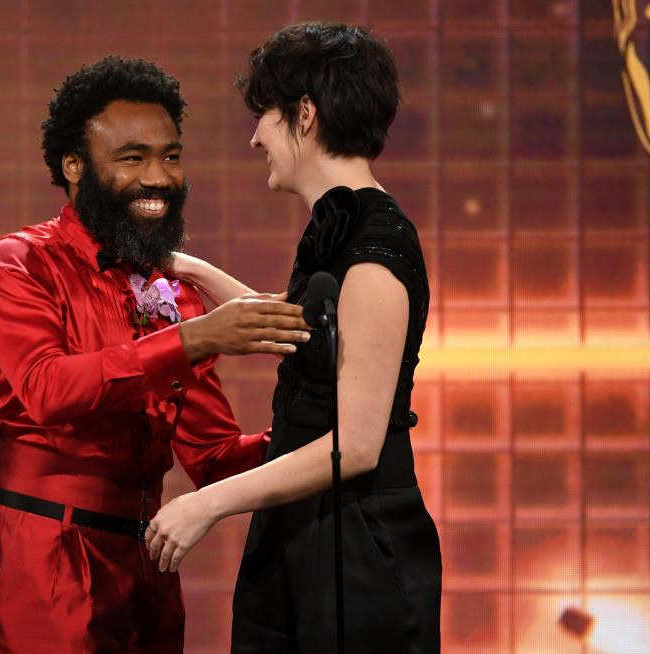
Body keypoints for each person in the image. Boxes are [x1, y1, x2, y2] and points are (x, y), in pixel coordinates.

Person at [0, 56, 311, 654]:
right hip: (40, 555)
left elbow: (214, 458)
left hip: (148, 562)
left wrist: (326, 439)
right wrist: (196, 339)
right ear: (74, 166)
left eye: (171, 157)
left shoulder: (174, 294)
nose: (159, 178)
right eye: (132, 158)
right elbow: (47, 390)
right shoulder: (20, 262)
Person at [146, 23, 442, 653]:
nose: (255, 137)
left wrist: (207, 504)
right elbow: (289, 325)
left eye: (266, 117)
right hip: (304, 524)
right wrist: (187, 268)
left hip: (357, 544)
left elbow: (357, 446)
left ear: (305, 115)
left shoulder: (376, 248)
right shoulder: (342, 227)